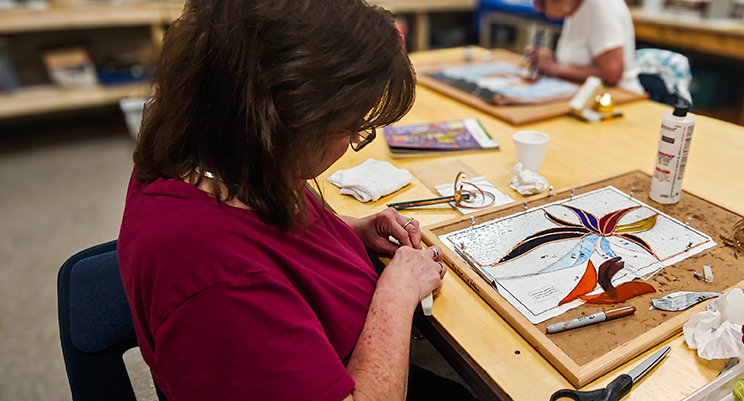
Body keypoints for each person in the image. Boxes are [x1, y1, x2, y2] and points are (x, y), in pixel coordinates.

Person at [117, 0, 476, 400]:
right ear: (283, 119)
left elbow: (262, 234)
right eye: (352, 128)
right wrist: (397, 293)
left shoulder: (212, 154)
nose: (353, 143)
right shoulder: (215, 283)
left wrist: (342, 233)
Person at [528, 0, 644, 94]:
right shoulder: (573, 7)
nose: (537, 8)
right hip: (585, 93)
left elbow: (612, 74)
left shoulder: (600, 5)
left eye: (540, 2)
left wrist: (556, 68)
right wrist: (550, 60)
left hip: (618, 97)